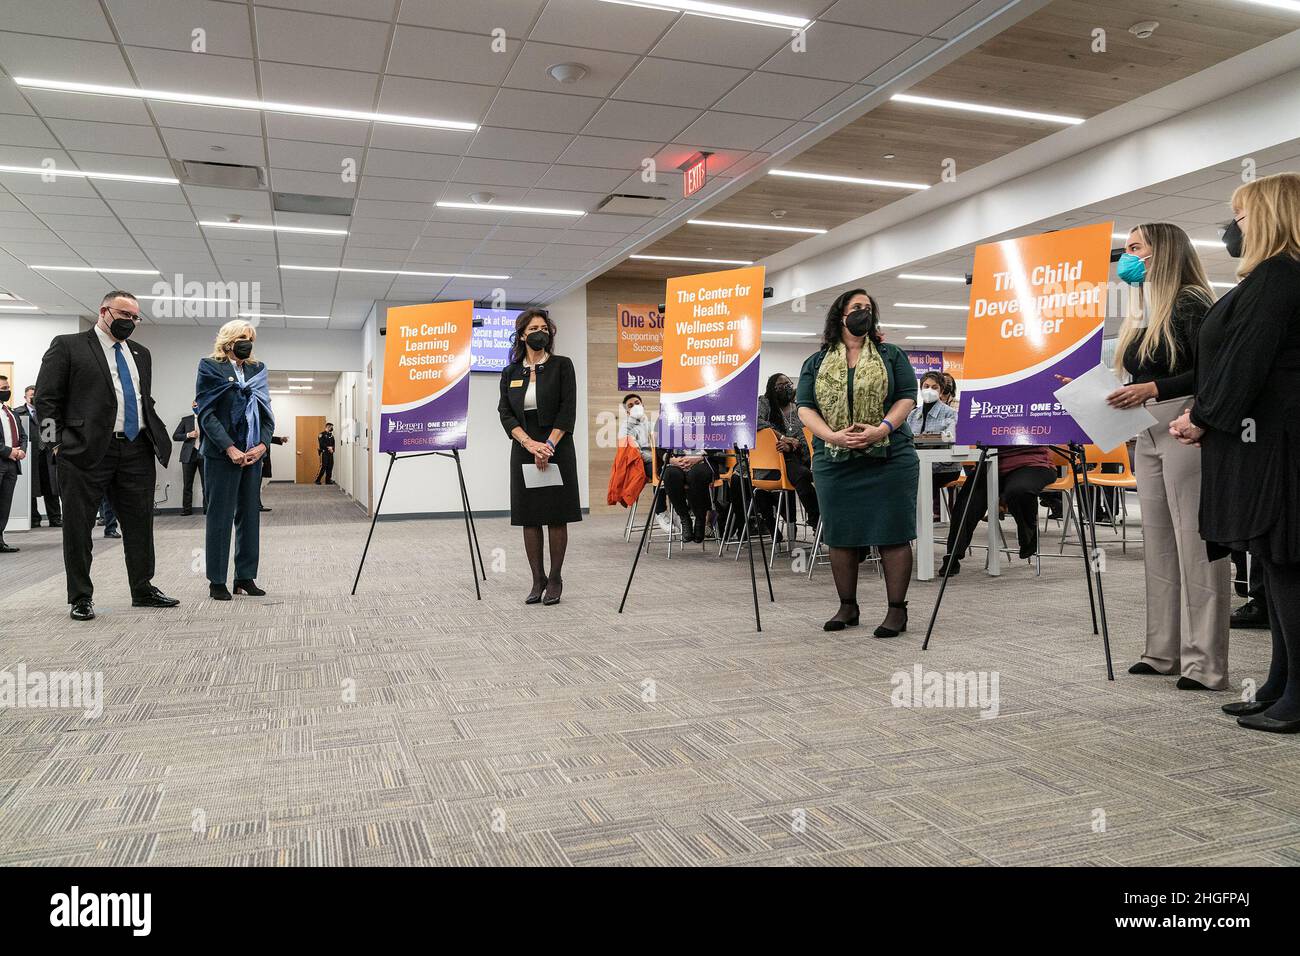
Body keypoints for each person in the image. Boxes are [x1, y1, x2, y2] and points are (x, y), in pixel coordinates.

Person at [1170, 172, 1300, 732]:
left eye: (1240, 216)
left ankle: (1297, 699)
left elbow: (1245, 361)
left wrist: (1201, 417)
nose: (1232, 228)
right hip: (1265, 439)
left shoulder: (1278, 276)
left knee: (1289, 567)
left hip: (1277, 446)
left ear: (1267, 218)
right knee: (1276, 568)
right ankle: (1279, 684)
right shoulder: (1275, 277)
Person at [1107, 221, 1229, 690]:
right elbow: (1142, 374)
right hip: (1146, 429)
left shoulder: (1193, 301)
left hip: (1184, 424)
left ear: (1163, 252)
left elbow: (1213, 373)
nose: (1127, 257)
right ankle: (1162, 651)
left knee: (1196, 547)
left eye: (1135, 247)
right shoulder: (1144, 308)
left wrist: (1155, 387)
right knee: (1157, 545)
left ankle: (1205, 662)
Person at [34, 290, 178, 620]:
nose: (131, 322)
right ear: (104, 311)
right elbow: (45, 402)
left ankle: (142, 589)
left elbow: (141, 398)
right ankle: (80, 597)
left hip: (136, 448)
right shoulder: (68, 345)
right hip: (84, 451)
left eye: (135, 317)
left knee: (140, 523)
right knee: (79, 526)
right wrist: (53, 445)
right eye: (125, 315)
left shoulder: (141, 353)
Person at [797, 289, 919, 636]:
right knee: (841, 534)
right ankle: (847, 607)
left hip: (889, 455)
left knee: (893, 532)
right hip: (835, 458)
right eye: (856, 308)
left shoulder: (890, 355)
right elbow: (805, 407)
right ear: (840, 315)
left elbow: (906, 397)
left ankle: (897, 611)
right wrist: (832, 436)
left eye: (868, 308)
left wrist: (881, 429)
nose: (863, 312)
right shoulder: (817, 362)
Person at [498, 308, 580, 605]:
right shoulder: (511, 372)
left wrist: (547, 445)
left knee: (556, 515)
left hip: (557, 447)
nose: (539, 332)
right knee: (529, 517)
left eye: (544, 327)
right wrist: (530, 444)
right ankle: (537, 579)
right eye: (533, 327)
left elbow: (567, 409)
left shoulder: (561, 366)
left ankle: (556, 578)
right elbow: (505, 413)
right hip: (523, 449)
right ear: (522, 334)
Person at [197, 320, 274, 601]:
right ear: (228, 339)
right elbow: (206, 414)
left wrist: (263, 445)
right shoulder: (210, 366)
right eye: (242, 336)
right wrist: (229, 448)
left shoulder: (258, 369)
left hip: (252, 454)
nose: (247, 342)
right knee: (220, 517)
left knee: (249, 516)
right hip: (221, 454)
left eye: (251, 337)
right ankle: (216, 580)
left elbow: (266, 412)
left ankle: (245, 577)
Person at [941, 446, 1054, 575]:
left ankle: (1029, 536)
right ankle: (953, 555)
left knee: (1019, 490)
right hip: (990, 463)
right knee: (967, 501)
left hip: (1031, 463)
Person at [755, 372, 819, 537]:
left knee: (805, 475)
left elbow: (804, 439)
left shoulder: (799, 409)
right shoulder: (765, 403)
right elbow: (756, 421)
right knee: (802, 476)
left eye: (788, 385)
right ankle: (817, 520)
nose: (786, 389)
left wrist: (792, 445)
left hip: (795, 458)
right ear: (772, 388)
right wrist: (782, 437)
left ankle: (818, 520)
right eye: (781, 386)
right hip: (772, 459)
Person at [906, 371, 959, 520]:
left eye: (934, 387)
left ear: (941, 390)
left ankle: (920, 520)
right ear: (921, 388)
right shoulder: (912, 414)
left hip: (945, 467)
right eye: (926, 386)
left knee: (920, 480)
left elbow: (950, 438)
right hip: (919, 465)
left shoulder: (950, 413)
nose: (929, 390)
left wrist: (930, 438)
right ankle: (910, 520)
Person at [619, 393, 671, 533]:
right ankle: (661, 512)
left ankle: (680, 511)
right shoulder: (625, 428)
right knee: (660, 474)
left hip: (658, 460)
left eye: (637, 403)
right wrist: (655, 458)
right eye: (631, 405)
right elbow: (633, 453)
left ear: (643, 405)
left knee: (673, 471)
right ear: (627, 411)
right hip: (640, 464)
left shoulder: (651, 424)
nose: (635, 406)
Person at [23, 385, 61, 528]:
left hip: (47, 454)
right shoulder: (20, 413)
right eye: (31, 395)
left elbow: (50, 434)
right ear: (25, 397)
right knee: (31, 488)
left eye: (35, 395)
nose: (33, 398)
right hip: (31, 456)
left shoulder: (46, 413)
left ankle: (55, 517)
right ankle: (34, 518)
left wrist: (53, 448)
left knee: (52, 487)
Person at [0, 375, 27, 554]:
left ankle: (0, 539)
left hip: (12, 465)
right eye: (3, 388)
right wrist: (9, 451)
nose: (7, 391)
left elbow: (23, 435)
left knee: (4, 504)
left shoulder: (11, 412)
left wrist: (21, 450)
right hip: (2, 459)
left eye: (7, 387)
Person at [172, 400, 205, 516]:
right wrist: (188, 435)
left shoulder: (207, 418)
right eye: (195, 405)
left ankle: (207, 509)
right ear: (192, 406)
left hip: (204, 454)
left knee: (206, 484)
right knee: (187, 484)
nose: (196, 407)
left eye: (199, 405)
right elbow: (175, 436)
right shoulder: (186, 420)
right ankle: (186, 510)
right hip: (188, 455)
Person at [259, 435, 288, 512]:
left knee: (257, 485)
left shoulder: (262, 429)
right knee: (255, 485)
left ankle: (257, 504)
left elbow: (266, 437)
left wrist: (279, 439)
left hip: (262, 459)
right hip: (258, 459)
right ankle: (256, 505)